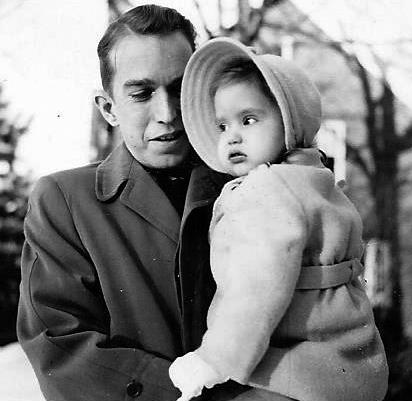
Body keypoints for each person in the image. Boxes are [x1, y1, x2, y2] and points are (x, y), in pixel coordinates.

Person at [17, 7, 249, 401]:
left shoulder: (251, 187)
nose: (167, 114)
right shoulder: (64, 201)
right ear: (108, 108)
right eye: (141, 94)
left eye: (179, 89)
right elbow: (60, 349)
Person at [168, 37, 389, 401]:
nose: (232, 137)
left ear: (288, 122)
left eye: (248, 120)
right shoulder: (318, 180)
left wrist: (214, 359)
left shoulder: (267, 189)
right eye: (222, 126)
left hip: (298, 369)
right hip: (350, 360)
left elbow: (256, 287)